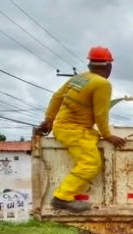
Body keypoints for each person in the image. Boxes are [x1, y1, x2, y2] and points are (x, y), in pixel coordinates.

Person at [36, 46, 126, 213]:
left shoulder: (78, 78)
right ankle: (62, 197)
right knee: (90, 163)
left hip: (65, 128)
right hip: (74, 130)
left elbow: (56, 97)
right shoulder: (102, 84)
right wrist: (108, 136)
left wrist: (49, 120)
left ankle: (63, 196)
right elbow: (101, 114)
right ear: (109, 67)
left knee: (92, 139)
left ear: (90, 64)